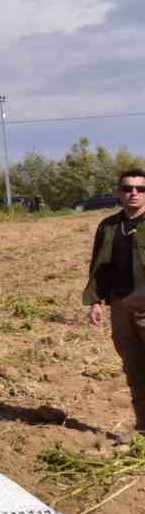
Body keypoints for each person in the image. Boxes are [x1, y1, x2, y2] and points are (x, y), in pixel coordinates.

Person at [84, 168, 145, 431]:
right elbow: (99, 265)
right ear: (119, 193)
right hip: (120, 305)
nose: (134, 193)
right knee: (133, 366)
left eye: (140, 189)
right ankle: (143, 425)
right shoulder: (109, 226)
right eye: (128, 188)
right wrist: (96, 301)